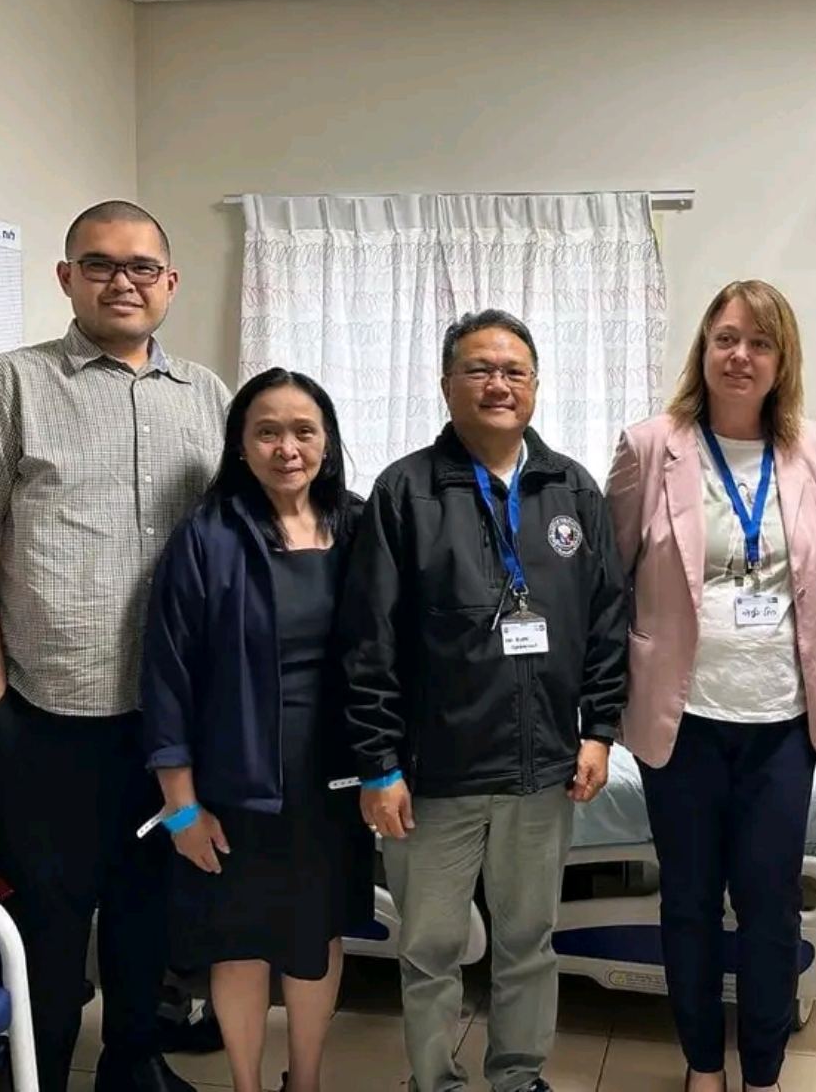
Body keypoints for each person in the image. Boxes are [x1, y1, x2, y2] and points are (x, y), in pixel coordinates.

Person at [0, 201, 228, 1092]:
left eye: (141, 266)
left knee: (148, 912)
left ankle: (132, 1067)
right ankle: (38, 1074)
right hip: (50, 717)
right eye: (99, 264)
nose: (122, 281)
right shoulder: (8, 385)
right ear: (67, 278)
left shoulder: (207, 396)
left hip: (171, 726)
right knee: (49, 929)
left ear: (170, 282)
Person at [605, 279, 816, 1092]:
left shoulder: (808, 447)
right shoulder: (650, 446)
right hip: (682, 724)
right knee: (689, 903)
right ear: (704, 348)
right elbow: (609, 576)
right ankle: (703, 1065)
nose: (741, 355)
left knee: (769, 906)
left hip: (781, 725)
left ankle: (763, 1072)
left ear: (782, 360)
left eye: (760, 342)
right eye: (726, 338)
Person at [341, 309, 628, 1092]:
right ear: (446, 384)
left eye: (514, 370)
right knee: (430, 947)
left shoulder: (572, 489)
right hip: (434, 774)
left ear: (535, 385)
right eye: (479, 369)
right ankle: (434, 1078)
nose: (498, 383)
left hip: (542, 768)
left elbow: (607, 619)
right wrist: (378, 764)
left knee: (528, 941)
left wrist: (599, 729)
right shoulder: (405, 491)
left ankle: (517, 1074)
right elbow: (369, 641)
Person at [141, 368, 376, 1092]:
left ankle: (303, 1080)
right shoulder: (207, 536)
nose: (287, 448)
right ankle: (246, 1084)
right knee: (238, 944)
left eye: (304, 431)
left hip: (330, 778)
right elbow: (168, 675)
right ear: (240, 445)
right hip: (233, 782)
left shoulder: (360, 527)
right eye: (267, 432)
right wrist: (181, 806)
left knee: (314, 937)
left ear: (328, 442)